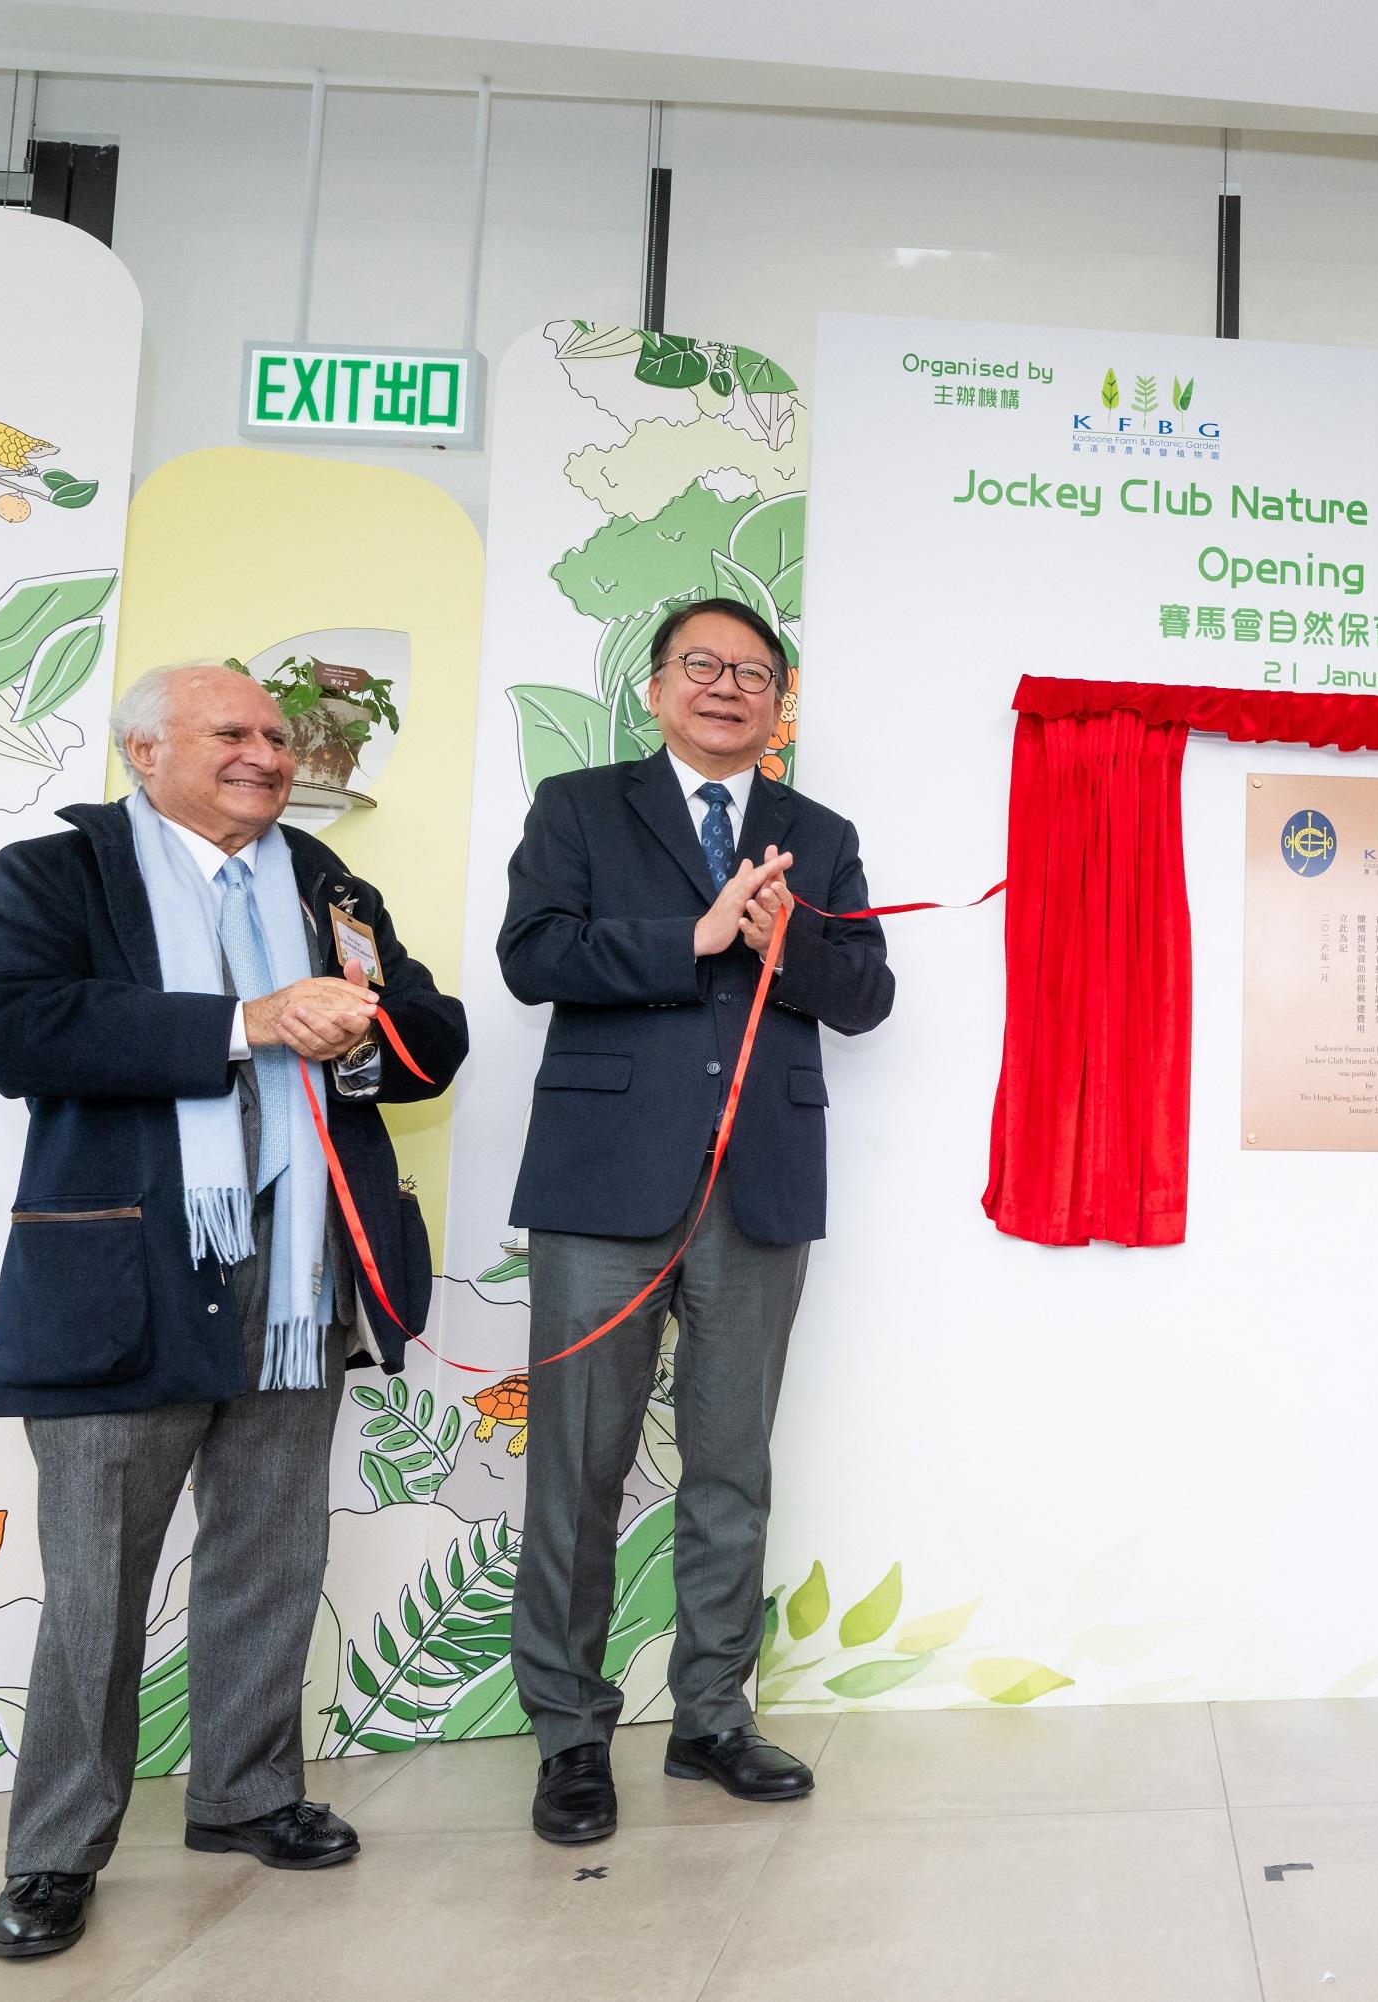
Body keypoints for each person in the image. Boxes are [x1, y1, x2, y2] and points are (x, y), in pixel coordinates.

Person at [0, 661, 467, 1959]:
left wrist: (363, 1027)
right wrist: (248, 1020)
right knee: (95, 1590)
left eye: (277, 735)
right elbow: (25, 1030)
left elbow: (429, 1033)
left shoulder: (326, 884)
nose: (265, 752)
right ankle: (59, 1848)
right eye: (231, 730)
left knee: (270, 1556)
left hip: (298, 1284)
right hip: (119, 1284)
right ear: (145, 750)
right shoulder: (55, 875)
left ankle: (246, 1794)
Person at [499, 596, 894, 1843]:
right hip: (604, 1184)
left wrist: (788, 945)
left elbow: (867, 994)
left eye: (755, 674)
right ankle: (570, 1734)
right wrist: (694, 936)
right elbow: (532, 957)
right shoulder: (578, 805)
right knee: (576, 1468)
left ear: (782, 704)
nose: (729, 687)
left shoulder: (815, 835)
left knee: (731, 1470)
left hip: (758, 1187)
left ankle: (713, 1715)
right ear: (658, 686)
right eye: (704, 666)